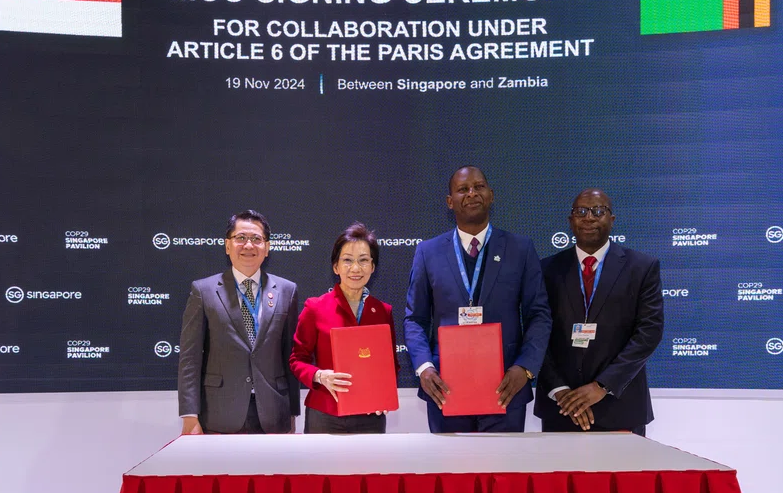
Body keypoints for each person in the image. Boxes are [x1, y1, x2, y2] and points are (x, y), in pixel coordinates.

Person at [404, 166, 551, 432]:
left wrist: (525, 368)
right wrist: (425, 368)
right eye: (462, 189)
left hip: (505, 387)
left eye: (479, 187)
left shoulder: (520, 249)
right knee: (450, 473)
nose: (472, 193)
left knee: (503, 474)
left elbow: (538, 314)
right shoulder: (428, 252)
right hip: (445, 389)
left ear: (491, 195)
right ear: (450, 202)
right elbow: (415, 319)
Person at [535, 189, 664, 436]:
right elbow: (536, 334)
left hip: (620, 406)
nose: (589, 218)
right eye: (581, 211)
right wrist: (560, 390)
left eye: (598, 211)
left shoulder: (642, 268)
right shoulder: (546, 270)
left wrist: (601, 386)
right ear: (570, 220)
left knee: (623, 476)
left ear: (612, 219)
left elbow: (649, 332)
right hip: (562, 407)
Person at [178, 210, 300, 434]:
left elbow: (289, 355)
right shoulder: (203, 291)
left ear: (267, 247)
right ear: (227, 246)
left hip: (273, 414)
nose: (249, 245)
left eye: (256, 239)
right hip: (220, 414)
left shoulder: (287, 290)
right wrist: (189, 416)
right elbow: (189, 359)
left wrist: (292, 413)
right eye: (241, 238)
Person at [289, 223, 398, 434]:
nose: (355, 268)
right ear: (336, 267)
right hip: (325, 412)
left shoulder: (383, 311)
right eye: (347, 260)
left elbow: (391, 364)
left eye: (364, 260)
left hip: (371, 415)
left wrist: (385, 395)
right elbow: (297, 360)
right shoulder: (315, 308)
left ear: (373, 267)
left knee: (370, 468)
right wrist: (320, 376)